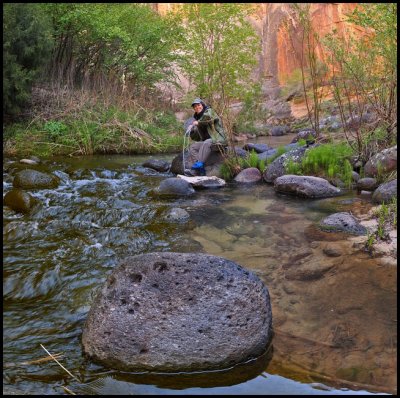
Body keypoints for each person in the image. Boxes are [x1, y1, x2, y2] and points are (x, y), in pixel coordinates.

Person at [185, 98, 227, 176]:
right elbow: (196, 138)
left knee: (207, 142)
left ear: (202, 105)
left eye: (198, 105)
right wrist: (191, 131)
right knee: (193, 147)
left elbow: (208, 118)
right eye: (195, 107)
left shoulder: (209, 111)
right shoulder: (196, 118)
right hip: (207, 143)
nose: (197, 107)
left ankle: (199, 164)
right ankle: (199, 170)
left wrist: (198, 122)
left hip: (218, 140)